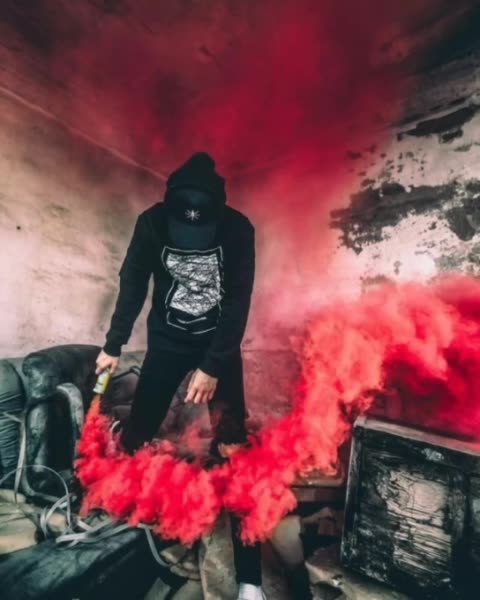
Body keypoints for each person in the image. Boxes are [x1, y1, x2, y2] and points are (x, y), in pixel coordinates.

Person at [95, 152, 265, 600]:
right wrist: (113, 344)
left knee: (233, 448)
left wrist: (212, 365)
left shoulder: (238, 229)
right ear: (168, 207)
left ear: (219, 212)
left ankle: (250, 581)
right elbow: (133, 284)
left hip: (218, 348)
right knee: (137, 434)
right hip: (167, 342)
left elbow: (238, 301)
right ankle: (119, 529)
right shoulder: (151, 224)